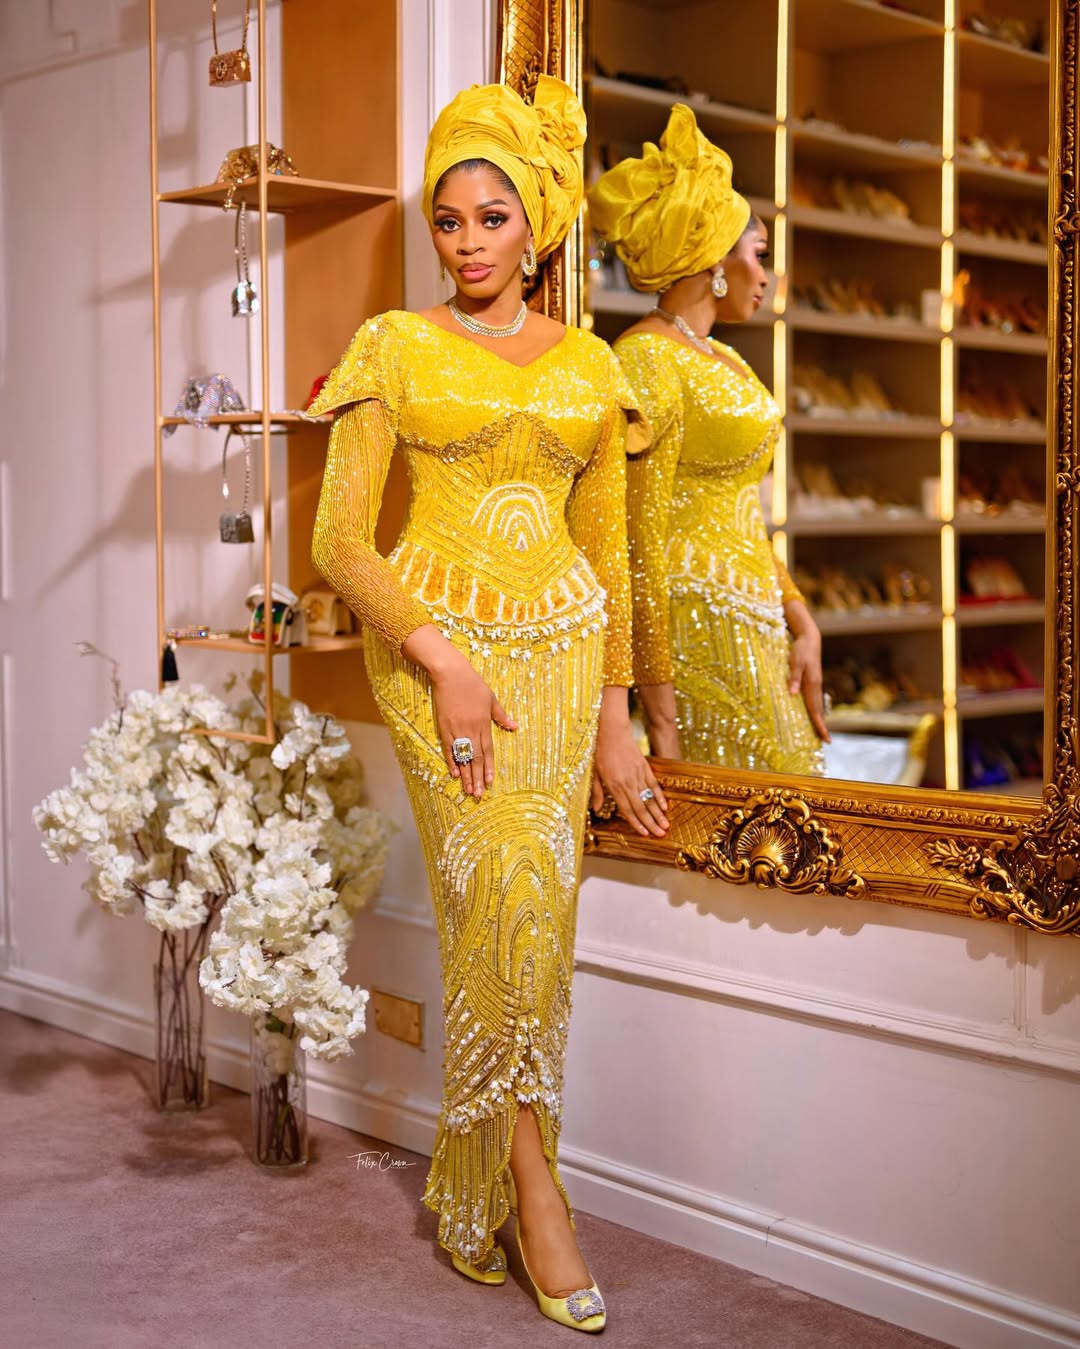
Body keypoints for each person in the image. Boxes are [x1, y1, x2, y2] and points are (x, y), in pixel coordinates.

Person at [309, 76, 668, 1333]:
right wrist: (441, 654)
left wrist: (618, 718)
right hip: (430, 659)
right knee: (491, 891)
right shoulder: (394, 349)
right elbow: (339, 543)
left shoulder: (591, 365)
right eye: (448, 220)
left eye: (492, 219)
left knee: (539, 920)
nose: (466, 243)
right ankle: (536, 1195)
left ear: (539, 229)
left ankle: (495, 1178)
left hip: (566, 660)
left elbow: (611, 558)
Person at [588, 104, 828, 774]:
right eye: (760, 257)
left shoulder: (726, 357)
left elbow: (743, 511)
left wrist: (798, 611)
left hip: (756, 617)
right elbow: (636, 539)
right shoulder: (645, 358)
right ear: (715, 262)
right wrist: (658, 716)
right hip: (694, 625)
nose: (768, 275)